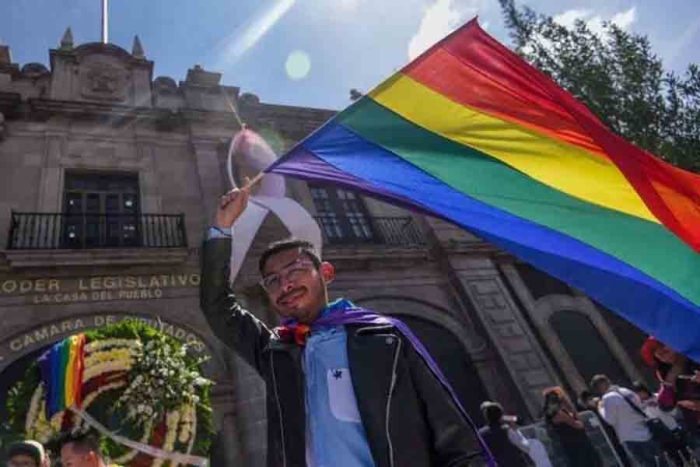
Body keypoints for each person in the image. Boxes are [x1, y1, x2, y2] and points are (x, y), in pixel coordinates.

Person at [200, 187, 489, 467]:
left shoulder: (386, 338)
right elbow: (217, 307)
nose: (285, 284)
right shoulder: (276, 352)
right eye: (273, 281)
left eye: (295, 270)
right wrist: (222, 229)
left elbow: (453, 437)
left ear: (326, 273)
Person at [591, 374, 665, 467]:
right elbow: (640, 406)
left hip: (630, 437)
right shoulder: (625, 390)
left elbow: (610, 421)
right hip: (646, 432)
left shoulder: (608, 398)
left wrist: (600, 407)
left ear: (599, 388)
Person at [542, 387, 602, 467]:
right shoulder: (559, 414)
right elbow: (578, 425)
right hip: (577, 445)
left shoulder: (557, 413)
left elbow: (576, 418)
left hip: (575, 444)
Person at [477, 401, 533, 466]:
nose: (484, 412)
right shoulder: (505, 427)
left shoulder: (482, 432)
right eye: (484, 410)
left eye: (485, 410)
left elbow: (519, 419)